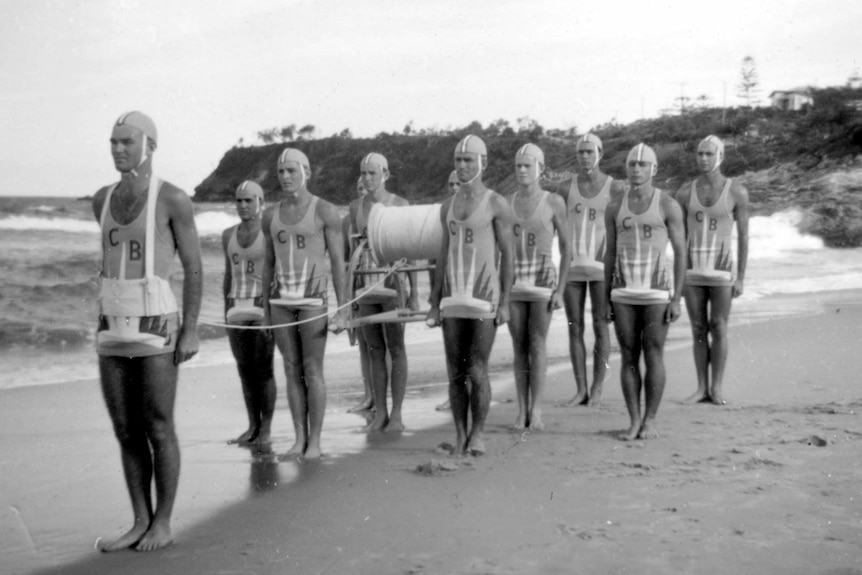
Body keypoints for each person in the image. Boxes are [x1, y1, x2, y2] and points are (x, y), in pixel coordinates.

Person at [92, 111, 202, 551]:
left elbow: (194, 267)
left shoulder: (172, 198)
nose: (119, 149)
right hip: (111, 329)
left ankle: (164, 521)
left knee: (158, 425)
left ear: (149, 146)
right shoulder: (100, 199)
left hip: (156, 329)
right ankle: (140, 519)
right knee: (124, 428)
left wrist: (190, 330)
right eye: (114, 142)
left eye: (127, 142)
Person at [428, 135, 513, 456]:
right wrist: (434, 303)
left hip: (484, 300)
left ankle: (478, 434)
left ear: (483, 163)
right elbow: (442, 254)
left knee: (477, 370)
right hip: (452, 300)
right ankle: (460, 434)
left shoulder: (496, 203)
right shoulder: (447, 207)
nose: (462, 166)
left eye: (468, 160)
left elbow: (508, 256)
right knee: (455, 374)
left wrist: (504, 302)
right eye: (458, 160)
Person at [261, 148, 348, 460]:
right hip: (280, 302)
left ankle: (315, 442)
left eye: (291, 171)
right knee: (290, 369)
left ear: (307, 172)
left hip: (313, 302)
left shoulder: (324, 211)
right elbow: (267, 266)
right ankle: (298, 439)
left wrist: (343, 308)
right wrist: (263, 310)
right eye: (281, 171)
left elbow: (338, 264)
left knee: (312, 370)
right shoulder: (269, 215)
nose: (285, 177)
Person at [604, 143, 685, 440]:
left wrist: (677, 298)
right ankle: (634, 420)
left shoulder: (667, 204)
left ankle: (650, 419)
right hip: (623, 292)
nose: (636, 169)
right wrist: (605, 299)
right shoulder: (614, 206)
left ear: (654, 168)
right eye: (631, 164)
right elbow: (609, 254)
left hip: (656, 292)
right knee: (627, 355)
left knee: (653, 352)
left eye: (642, 164)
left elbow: (680, 252)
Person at [675, 135, 749, 405]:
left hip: (721, 274)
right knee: (697, 329)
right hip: (693, 273)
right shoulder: (685, 192)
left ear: (720, 156)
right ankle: (700, 388)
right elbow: (680, 241)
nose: (703, 158)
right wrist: (679, 278)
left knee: (719, 327)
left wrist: (740, 277)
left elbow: (743, 238)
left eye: (709, 153)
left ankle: (716, 388)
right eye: (699, 154)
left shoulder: (736, 192)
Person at [348, 152, 418, 431]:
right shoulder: (355, 207)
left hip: (393, 286)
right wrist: (350, 298)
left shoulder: (400, 205)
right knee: (375, 350)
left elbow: (410, 250)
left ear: (385, 175)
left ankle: (397, 414)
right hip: (365, 288)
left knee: (396, 348)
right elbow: (353, 254)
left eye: (372, 173)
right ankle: (381, 413)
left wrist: (414, 292)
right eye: (363, 173)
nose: (366, 179)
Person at [557, 133, 625, 407]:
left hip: (601, 270)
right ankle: (580, 389)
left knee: (600, 326)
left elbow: (622, 231)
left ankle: (597, 388)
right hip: (572, 269)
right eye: (580, 152)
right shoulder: (564, 189)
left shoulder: (616, 187)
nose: (584, 156)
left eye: (589, 151)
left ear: (600, 153)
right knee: (574, 328)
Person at [508, 143, 571, 430]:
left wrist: (560, 290)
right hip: (514, 285)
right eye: (519, 165)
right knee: (519, 348)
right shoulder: (505, 203)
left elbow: (568, 249)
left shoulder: (553, 201)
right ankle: (521, 411)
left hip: (543, 284)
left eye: (528, 165)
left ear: (540, 169)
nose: (522, 170)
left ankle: (537, 409)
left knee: (537, 345)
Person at [222, 180, 276, 445]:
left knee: (263, 370)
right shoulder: (227, 234)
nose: (243, 205)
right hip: (236, 308)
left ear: (260, 202)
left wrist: (269, 311)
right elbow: (226, 276)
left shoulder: (269, 233)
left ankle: (265, 430)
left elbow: (275, 274)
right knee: (244, 370)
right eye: (239, 200)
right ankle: (251, 426)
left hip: (260, 307)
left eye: (249, 200)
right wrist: (225, 311)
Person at [345, 177, 375, 414]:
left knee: (380, 344)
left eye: (365, 189)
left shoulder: (383, 216)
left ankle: (380, 396)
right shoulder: (349, 220)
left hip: (380, 283)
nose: (362, 194)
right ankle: (368, 395)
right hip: (358, 287)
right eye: (358, 190)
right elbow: (347, 261)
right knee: (363, 345)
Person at [434, 169, 461, 412]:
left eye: (459, 183)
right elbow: (439, 255)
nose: (454, 188)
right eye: (451, 184)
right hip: (450, 289)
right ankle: (453, 396)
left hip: (474, 291)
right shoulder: (445, 211)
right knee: (452, 351)